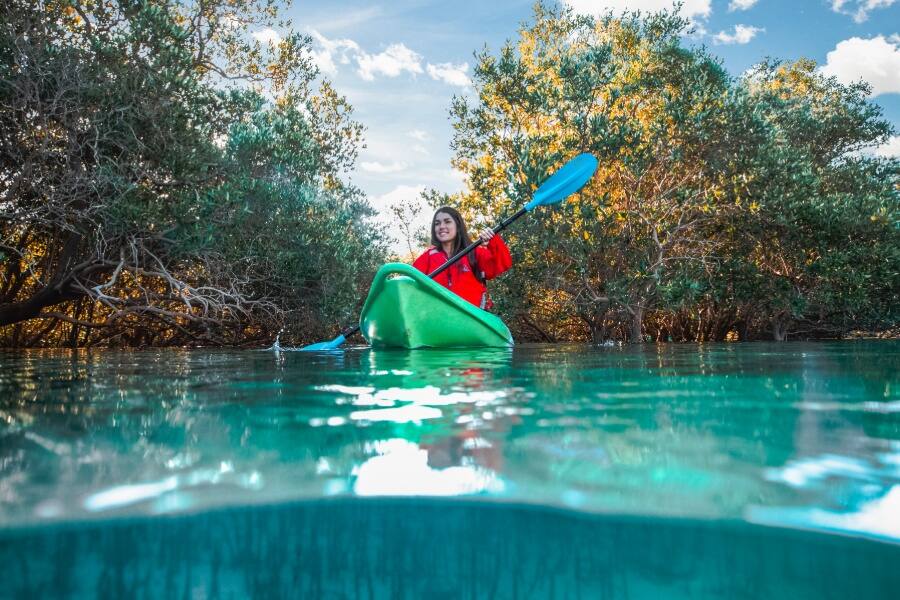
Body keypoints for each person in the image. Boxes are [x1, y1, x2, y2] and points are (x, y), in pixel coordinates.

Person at [412, 206, 512, 309]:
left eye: (447, 222)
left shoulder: (473, 252)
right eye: (437, 223)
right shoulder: (428, 257)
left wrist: (493, 240)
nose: (441, 226)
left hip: (470, 318)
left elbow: (503, 264)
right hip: (438, 318)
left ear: (458, 226)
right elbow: (410, 281)